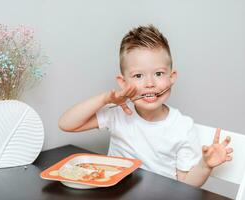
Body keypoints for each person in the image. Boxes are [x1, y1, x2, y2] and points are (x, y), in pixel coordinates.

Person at [58, 24, 233, 187]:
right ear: (123, 82)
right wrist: (105, 99)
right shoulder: (118, 113)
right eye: (138, 76)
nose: (150, 83)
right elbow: (67, 124)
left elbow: (186, 184)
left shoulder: (182, 127)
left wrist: (205, 166)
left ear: (172, 78)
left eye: (158, 73)